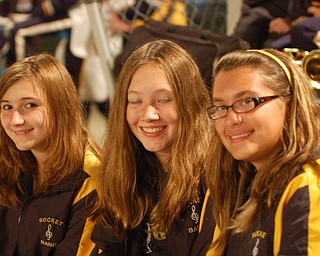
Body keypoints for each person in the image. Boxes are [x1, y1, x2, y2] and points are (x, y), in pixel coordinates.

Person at [90, 39, 214, 255]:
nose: (149, 115)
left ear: (190, 101)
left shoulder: (216, 173)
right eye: (135, 101)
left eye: (164, 99)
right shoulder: (122, 168)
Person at [204, 48, 320, 255]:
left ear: (290, 103)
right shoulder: (234, 178)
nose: (231, 119)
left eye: (247, 101)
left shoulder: (310, 184)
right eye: (220, 107)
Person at [0, 53, 101, 255]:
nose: (15, 120)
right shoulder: (8, 163)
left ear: (60, 107)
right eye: (7, 107)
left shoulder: (91, 177)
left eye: (30, 105)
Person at [232, 0, 312, 49]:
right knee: (241, 40)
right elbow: (250, 3)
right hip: (265, 12)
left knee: (273, 47)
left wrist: (291, 23)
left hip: (303, 21)